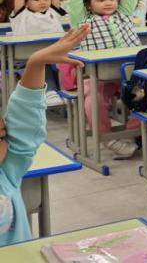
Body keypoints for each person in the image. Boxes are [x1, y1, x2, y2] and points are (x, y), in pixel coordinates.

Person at [0, 25, 90, 246]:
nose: (2, 146)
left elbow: (24, 121)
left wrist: (36, 63)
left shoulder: (5, 173)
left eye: (1, 137)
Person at [65, 0, 140, 159]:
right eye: (100, 0)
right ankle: (107, 138)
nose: (108, 3)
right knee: (92, 98)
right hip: (97, 74)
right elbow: (74, 1)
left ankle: (132, 134)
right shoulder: (82, 20)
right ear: (88, 5)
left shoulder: (124, 14)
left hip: (129, 71)